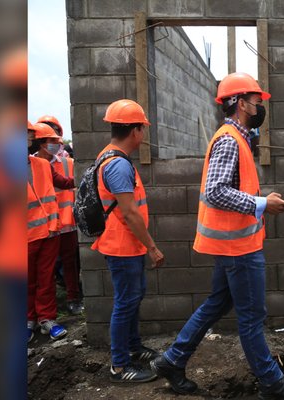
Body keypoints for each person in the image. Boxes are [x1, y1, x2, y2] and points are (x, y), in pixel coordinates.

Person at [151, 72, 284, 400]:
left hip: (232, 244)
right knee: (252, 317)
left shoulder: (237, 138)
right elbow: (215, 192)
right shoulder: (229, 139)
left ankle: (172, 360)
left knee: (217, 303)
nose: (259, 108)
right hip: (238, 248)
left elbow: (229, 190)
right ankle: (273, 384)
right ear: (240, 104)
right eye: (256, 102)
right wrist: (262, 203)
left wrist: (262, 200)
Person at [92, 99, 164, 383]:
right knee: (126, 302)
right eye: (142, 128)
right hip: (122, 246)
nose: (143, 134)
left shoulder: (112, 157)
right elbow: (131, 214)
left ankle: (133, 348)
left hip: (127, 245)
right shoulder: (117, 166)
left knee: (133, 298)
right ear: (134, 131)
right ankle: (119, 367)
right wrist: (153, 248)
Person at [35, 116, 83, 315]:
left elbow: (69, 183)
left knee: (69, 263)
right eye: (51, 140)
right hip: (40, 227)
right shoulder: (32, 164)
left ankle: (72, 298)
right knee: (44, 271)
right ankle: (45, 310)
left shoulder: (68, 163)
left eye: (56, 140)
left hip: (66, 223)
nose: (56, 144)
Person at [27, 123, 68, 341]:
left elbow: (61, 184)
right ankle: (27, 320)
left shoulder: (42, 165)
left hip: (49, 232)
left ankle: (46, 319)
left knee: (46, 278)